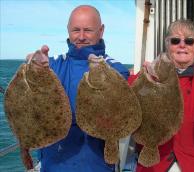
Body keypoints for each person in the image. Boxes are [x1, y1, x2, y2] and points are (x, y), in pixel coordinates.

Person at [27, 5, 129, 172]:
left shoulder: (115, 69)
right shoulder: (52, 65)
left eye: (88, 30)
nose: (81, 37)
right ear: (68, 30)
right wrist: (32, 69)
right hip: (52, 165)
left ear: (101, 31)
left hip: (97, 165)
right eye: (76, 30)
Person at [128, 19, 194, 172]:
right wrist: (144, 83)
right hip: (155, 163)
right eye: (175, 40)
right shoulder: (149, 75)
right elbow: (125, 99)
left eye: (189, 41)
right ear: (167, 44)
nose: (182, 45)